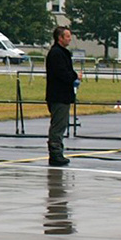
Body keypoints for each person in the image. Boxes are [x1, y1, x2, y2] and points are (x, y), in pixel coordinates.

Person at [46, 26, 80, 166]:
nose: (69, 39)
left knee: (61, 123)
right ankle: (55, 153)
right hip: (58, 95)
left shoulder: (61, 53)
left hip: (62, 95)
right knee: (58, 125)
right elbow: (62, 74)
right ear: (59, 38)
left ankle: (57, 151)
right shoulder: (56, 54)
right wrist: (75, 76)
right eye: (67, 36)